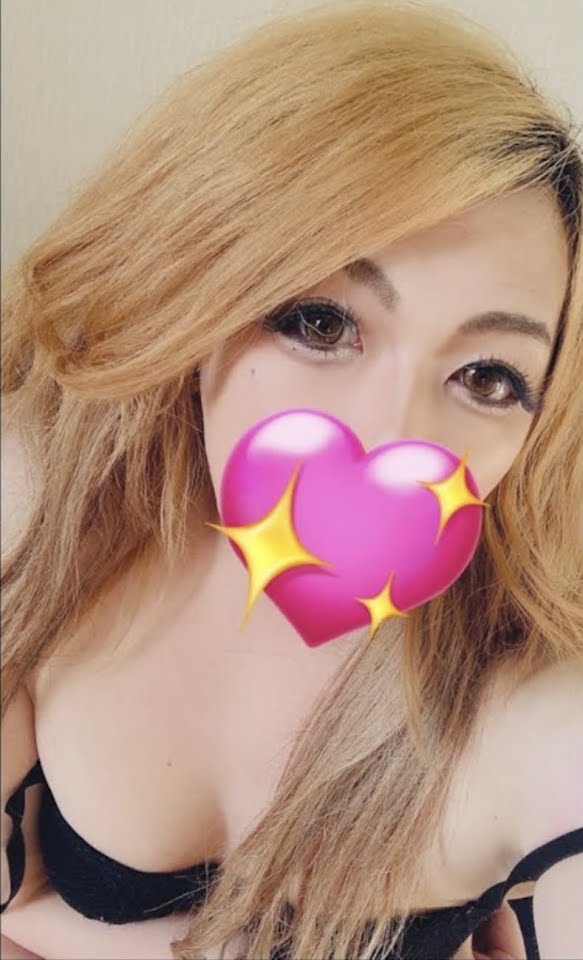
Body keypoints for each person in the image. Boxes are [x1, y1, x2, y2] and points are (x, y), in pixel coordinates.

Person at [1, 1, 582, 958]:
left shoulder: (536, 703)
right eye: (321, 323)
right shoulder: (46, 512)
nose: (390, 438)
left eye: (487, 378)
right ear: (195, 288)